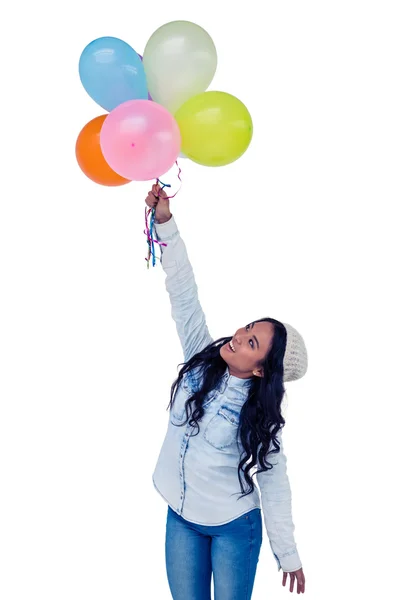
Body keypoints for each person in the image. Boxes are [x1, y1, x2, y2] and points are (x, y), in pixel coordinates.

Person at [145, 183, 308, 599]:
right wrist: (165, 221)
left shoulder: (258, 416)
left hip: (234, 527)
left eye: (251, 343)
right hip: (180, 517)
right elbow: (183, 292)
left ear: (259, 371)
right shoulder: (203, 359)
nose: (239, 335)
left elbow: (274, 483)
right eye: (249, 327)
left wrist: (287, 553)